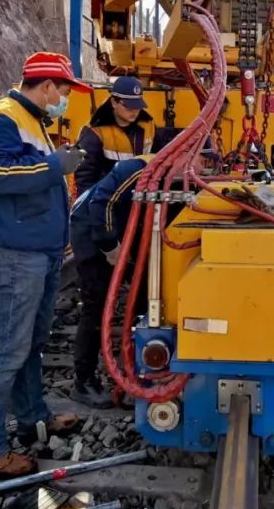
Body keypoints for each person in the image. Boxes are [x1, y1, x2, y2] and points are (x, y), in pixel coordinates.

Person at [0, 51, 90, 479]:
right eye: (66, 91)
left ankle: (33, 418)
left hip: (39, 254)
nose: (66, 100)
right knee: (5, 353)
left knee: (30, 345)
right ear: (46, 87)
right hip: (15, 255)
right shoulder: (0, 117)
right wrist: (54, 165)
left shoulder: (34, 122)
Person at [68, 139, 218, 408]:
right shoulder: (138, 170)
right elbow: (101, 203)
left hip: (130, 235)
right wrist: (109, 247)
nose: (202, 170)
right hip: (93, 231)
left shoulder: (181, 178)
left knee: (143, 302)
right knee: (98, 305)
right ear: (182, 154)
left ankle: (137, 373)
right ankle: (84, 382)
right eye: (201, 162)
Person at [74, 76, 157, 195]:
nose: (134, 111)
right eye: (128, 106)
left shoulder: (149, 125)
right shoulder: (95, 132)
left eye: (137, 106)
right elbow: (85, 177)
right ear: (114, 102)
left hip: (140, 198)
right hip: (107, 199)